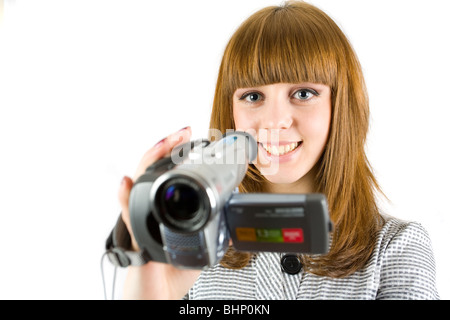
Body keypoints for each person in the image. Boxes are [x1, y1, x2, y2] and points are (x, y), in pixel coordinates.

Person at [116, 1, 439, 299]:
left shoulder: (394, 248)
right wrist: (152, 280)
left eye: (303, 93)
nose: (274, 121)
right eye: (253, 97)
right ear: (231, 112)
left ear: (340, 106)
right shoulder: (193, 252)